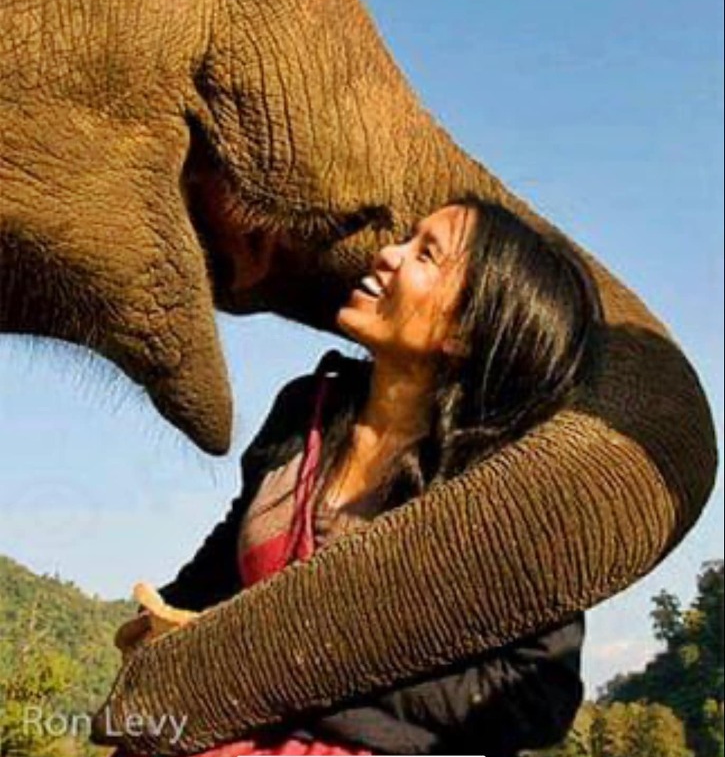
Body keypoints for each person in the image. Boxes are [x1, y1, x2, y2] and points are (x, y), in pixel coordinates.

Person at [116, 195, 604, 756]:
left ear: (465, 331)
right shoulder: (307, 410)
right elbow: (225, 568)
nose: (387, 255)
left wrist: (290, 667)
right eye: (406, 239)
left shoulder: (503, 488)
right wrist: (159, 625)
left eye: (425, 254)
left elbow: (536, 700)